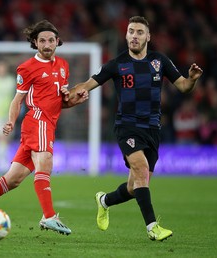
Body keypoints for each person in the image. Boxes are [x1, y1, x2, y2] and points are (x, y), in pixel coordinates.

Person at [67, 16, 203, 241]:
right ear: (126, 35)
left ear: (148, 37)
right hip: (127, 127)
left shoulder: (159, 61)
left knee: (135, 187)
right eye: (131, 31)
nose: (134, 36)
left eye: (140, 32)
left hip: (152, 129)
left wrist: (192, 79)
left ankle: (104, 200)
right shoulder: (117, 64)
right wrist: (67, 96)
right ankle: (152, 227)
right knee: (140, 170)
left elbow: (183, 86)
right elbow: (87, 85)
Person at [0, 19, 88, 240]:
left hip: (48, 123)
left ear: (57, 42)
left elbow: (58, 101)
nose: (47, 44)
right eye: (42, 40)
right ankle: (49, 215)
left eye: (51, 40)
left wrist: (75, 100)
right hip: (37, 121)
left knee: (12, 179)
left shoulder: (63, 66)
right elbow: (17, 100)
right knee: (45, 162)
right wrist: (11, 121)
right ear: (35, 42)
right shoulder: (27, 68)